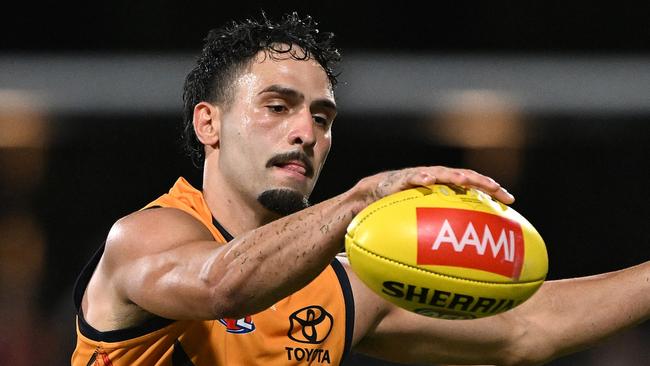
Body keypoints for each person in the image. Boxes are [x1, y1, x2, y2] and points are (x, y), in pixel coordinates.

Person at [71, 12, 649, 366]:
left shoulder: (338, 285)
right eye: (278, 107)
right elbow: (222, 285)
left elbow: (528, 328)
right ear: (209, 124)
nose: (305, 132)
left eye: (322, 119)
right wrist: (360, 200)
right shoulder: (143, 238)